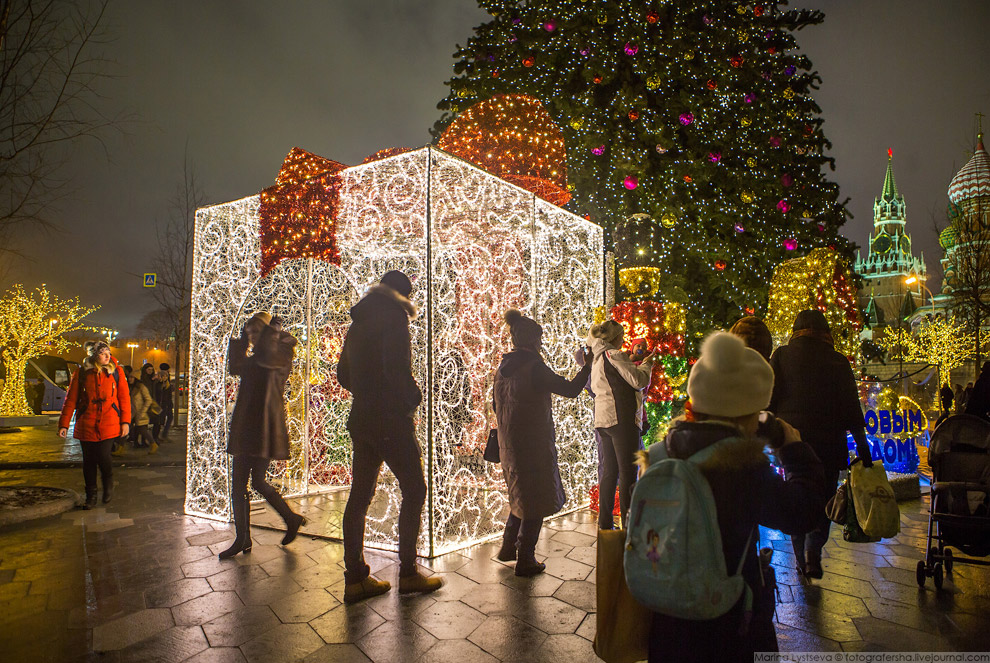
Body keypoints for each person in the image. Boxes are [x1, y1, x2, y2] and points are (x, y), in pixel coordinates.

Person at [643, 331, 824, 662]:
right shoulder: (741, 467)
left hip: (667, 620)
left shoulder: (660, 454)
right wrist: (795, 450)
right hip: (726, 624)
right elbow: (804, 513)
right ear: (745, 413)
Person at [337, 271, 442, 603]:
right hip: (390, 421)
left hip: (363, 418)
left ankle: (355, 578)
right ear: (403, 296)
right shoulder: (395, 318)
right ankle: (408, 573)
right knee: (415, 488)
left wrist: (366, 392)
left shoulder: (359, 322)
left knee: (360, 496)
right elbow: (396, 369)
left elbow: (342, 374)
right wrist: (412, 397)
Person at [768, 310, 872, 579]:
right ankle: (813, 551)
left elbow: (769, 398)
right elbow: (852, 408)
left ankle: (800, 557)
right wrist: (863, 450)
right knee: (825, 499)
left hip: (791, 443)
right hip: (829, 444)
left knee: (795, 494)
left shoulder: (780, 356)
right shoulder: (838, 361)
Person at [493, 309, 592, 576]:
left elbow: (496, 405)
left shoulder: (503, 367)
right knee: (534, 497)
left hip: (508, 442)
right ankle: (525, 558)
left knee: (519, 493)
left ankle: (507, 548)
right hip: (531, 442)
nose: (541, 344)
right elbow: (570, 390)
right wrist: (587, 367)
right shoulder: (533, 366)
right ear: (533, 340)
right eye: (540, 339)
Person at [219, 311, 306, 560]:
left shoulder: (282, 348)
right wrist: (242, 341)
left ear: (268, 332)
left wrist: (271, 332)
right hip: (249, 425)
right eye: (250, 335)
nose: (253, 339)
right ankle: (252, 534)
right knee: (247, 483)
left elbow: (268, 361)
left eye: (256, 333)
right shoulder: (258, 354)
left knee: (251, 482)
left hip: (263, 426)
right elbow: (236, 367)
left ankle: (282, 522)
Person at [587, 319, 656, 529]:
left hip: (604, 420)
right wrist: (647, 364)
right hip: (621, 420)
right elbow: (638, 381)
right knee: (628, 474)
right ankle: (629, 525)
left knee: (610, 471)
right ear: (615, 338)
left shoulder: (597, 357)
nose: (624, 340)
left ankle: (605, 523)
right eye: (622, 336)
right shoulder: (613, 354)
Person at [58, 341, 131, 509]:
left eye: (108, 352)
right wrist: (64, 424)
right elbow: (71, 399)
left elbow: (124, 398)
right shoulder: (82, 373)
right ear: (93, 355)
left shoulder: (116, 372)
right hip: (87, 422)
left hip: (109, 422)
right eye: (103, 353)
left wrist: (125, 422)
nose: (107, 356)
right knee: (89, 461)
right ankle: (90, 495)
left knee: (104, 457)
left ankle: (108, 484)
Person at [118, 369, 154, 456]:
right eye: (129, 377)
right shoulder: (129, 387)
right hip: (131, 413)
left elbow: (148, 400)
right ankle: (120, 448)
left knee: (143, 431)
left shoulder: (141, 387)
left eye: (132, 377)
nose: (130, 379)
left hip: (140, 413)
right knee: (125, 430)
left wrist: (143, 411)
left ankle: (153, 444)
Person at [153, 363, 174, 442]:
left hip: (166, 404)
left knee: (165, 419)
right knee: (159, 421)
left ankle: (162, 435)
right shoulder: (158, 382)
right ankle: (160, 436)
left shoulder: (167, 383)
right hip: (161, 404)